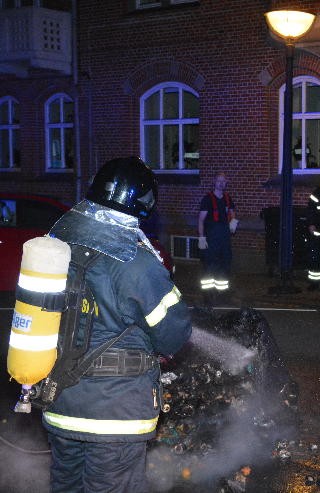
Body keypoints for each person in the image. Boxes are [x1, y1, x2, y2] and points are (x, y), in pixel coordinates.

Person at [44, 156, 192, 492]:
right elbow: (174, 332)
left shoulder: (56, 243)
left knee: (66, 485)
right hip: (114, 414)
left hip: (59, 401)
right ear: (143, 204)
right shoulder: (134, 262)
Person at [198, 172, 238, 305]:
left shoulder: (227, 198)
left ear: (226, 183)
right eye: (219, 181)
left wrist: (233, 223)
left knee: (225, 266)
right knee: (210, 268)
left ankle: (223, 294)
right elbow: (201, 220)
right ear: (214, 182)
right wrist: (202, 238)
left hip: (224, 239)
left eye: (223, 181)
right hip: (211, 239)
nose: (221, 183)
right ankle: (208, 296)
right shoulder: (207, 199)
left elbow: (232, 213)